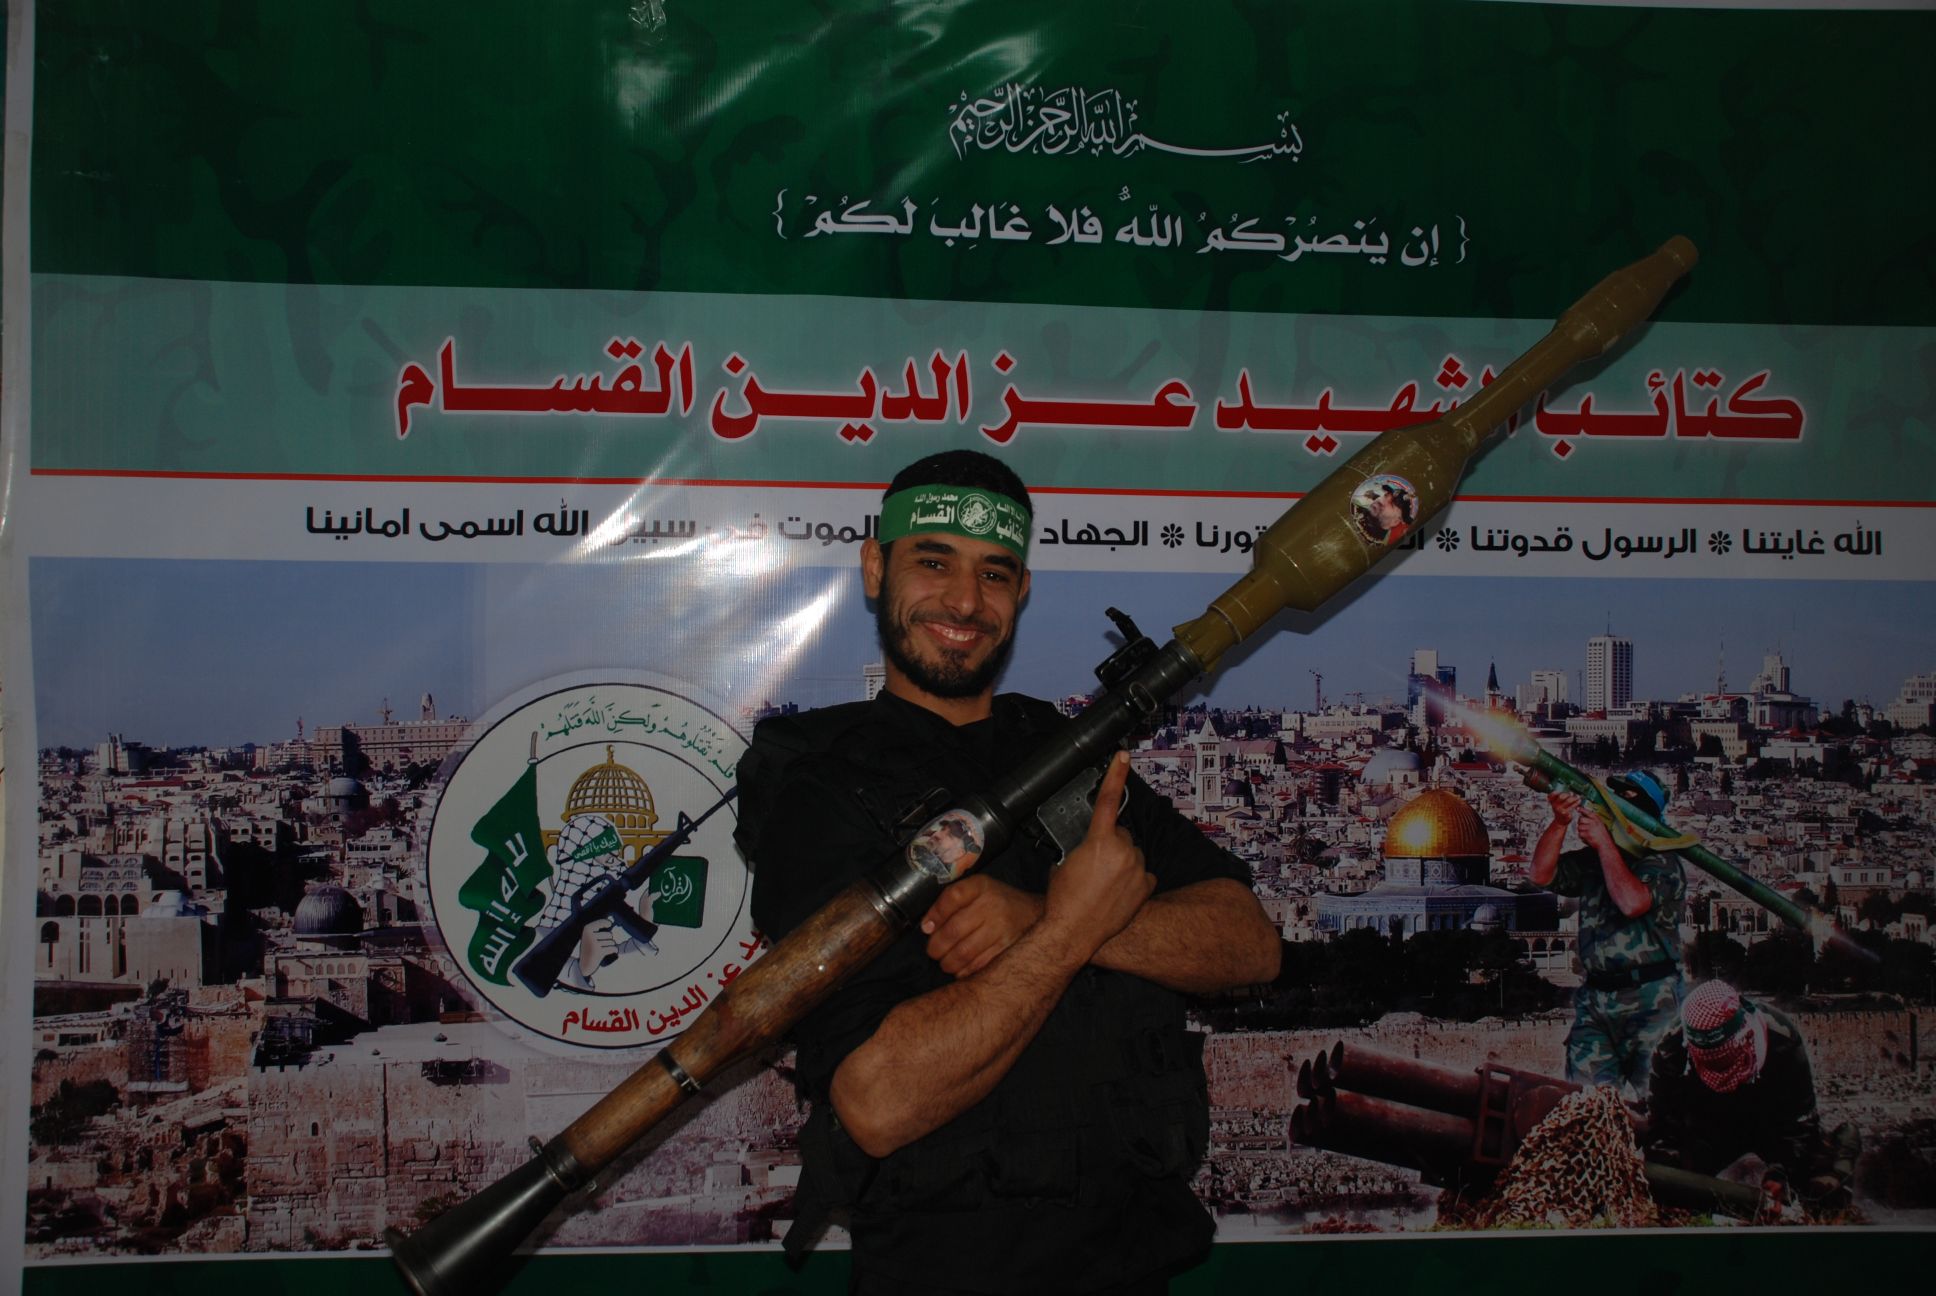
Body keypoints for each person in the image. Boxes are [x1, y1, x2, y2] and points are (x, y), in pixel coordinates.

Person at [737, 450, 1281, 1295]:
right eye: (934, 562)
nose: (964, 601)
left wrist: (1038, 917)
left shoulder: (1066, 750)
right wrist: (1069, 929)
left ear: (1021, 590)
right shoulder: (819, 787)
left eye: (993, 573)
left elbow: (1250, 945)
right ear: (876, 568)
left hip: (1133, 1263)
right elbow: (877, 1103)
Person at [1530, 769, 1685, 1093]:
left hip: (1651, 999)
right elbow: (1541, 875)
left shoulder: (1663, 862)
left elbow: (1632, 902)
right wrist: (1559, 823)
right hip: (1596, 999)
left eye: (1627, 799)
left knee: (1658, 1102)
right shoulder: (1594, 860)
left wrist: (1603, 844)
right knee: (1585, 1104)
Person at [1646, 979, 1857, 1205]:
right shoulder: (1671, 1048)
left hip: (1772, 1125)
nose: (1718, 1070)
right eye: (1708, 1062)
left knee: (1823, 1188)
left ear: (1744, 1037)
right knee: (1665, 1185)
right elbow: (1663, 1128)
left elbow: (1800, 1126)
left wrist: (1781, 1172)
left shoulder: (1782, 1039)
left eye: (1722, 1060)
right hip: (1709, 1127)